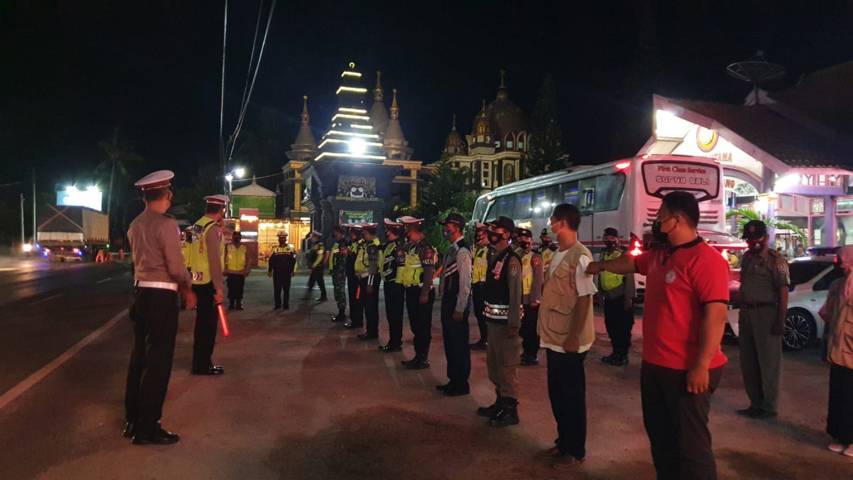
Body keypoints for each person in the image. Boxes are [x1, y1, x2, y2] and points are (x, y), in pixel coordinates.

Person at [587, 191, 729, 480]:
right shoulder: (661, 255)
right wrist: (601, 265)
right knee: (661, 440)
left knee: (691, 447)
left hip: (687, 369)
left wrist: (701, 365)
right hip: (656, 365)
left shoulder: (707, 260)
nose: (657, 221)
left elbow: (716, 316)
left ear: (676, 221)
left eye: (661, 216)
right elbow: (631, 263)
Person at [124, 170, 195, 445]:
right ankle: (147, 427)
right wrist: (188, 287)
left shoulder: (134, 225)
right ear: (167, 194)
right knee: (159, 364)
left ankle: (132, 420)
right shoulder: (166, 225)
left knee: (139, 359)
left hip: (141, 294)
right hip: (162, 298)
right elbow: (176, 268)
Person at [538, 203, 597, 468]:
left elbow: (584, 299)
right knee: (557, 394)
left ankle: (576, 448)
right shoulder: (558, 253)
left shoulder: (580, 256)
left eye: (552, 220)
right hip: (553, 337)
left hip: (570, 341)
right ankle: (563, 442)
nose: (550, 224)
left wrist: (574, 337)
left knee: (573, 397)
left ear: (561, 222)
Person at [737, 220, 789, 420]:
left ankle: (769, 407)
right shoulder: (747, 258)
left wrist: (780, 320)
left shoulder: (776, 260)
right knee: (748, 361)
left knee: (769, 363)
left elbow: (783, 292)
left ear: (766, 238)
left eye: (755, 238)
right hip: (747, 313)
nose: (751, 243)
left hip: (767, 314)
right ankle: (755, 403)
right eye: (749, 239)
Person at [476, 216, 523, 427]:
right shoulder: (495, 256)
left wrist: (514, 323)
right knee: (494, 366)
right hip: (493, 322)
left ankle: (510, 410)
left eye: (495, 229)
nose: (491, 232)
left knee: (506, 367)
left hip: (506, 325)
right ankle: (500, 402)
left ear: (505, 233)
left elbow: (515, 294)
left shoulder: (511, 260)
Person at [188, 194, 227, 376]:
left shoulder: (197, 225)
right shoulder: (213, 229)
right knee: (208, 327)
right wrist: (219, 288)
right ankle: (203, 365)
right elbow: (214, 260)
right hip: (209, 282)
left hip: (197, 279)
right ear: (221, 210)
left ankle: (200, 362)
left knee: (200, 325)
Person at [436, 213, 473, 396]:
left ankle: (461, 383)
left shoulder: (463, 251)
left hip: (457, 304)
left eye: (448, 226)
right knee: (450, 343)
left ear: (457, 227)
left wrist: (460, 308)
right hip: (448, 301)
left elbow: (465, 283)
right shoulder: (453, 249)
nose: (445, 229)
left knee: (459, 345)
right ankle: (453, 379)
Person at [821, 246, 853, 457]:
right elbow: (827, 312)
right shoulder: (838, 285)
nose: (840, 263)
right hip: (839, 350)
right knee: (840, 395)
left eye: (843, 259)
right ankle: (841, 436)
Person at [397, 216, 436, 370]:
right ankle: (418, 355)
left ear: (418, 232)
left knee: (422, 326)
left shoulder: (426, 249)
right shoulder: (412, 247)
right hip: (412, 290)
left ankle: (422, 358)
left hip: (422, 291)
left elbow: (428, 273)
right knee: (415, 325)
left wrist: (425, 293)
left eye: (409, 231)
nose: (407, 234)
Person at [597, 227, 636, 366]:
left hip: (621, 296)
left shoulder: (623, 254)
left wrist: (629, 297)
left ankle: (622, 355)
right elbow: (601, 274)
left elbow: (629, 277)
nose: (608, 240)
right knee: (611, 326)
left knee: (623, 328)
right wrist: (600, 294)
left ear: (617, 239)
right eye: (606, 238)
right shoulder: (603, 254)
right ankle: (615, 353)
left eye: (611, 238)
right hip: (608, 297)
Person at [516, 227, 543, 366]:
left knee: (531, 327)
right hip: (520, 297)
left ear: (531, 240)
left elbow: (538, 279)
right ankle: (526, 352)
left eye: (526, 238)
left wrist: (535, 298)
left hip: (530, 298)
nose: (523, 240)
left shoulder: (535, 256)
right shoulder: (517, 255)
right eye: (521, 238)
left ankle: (532, 354)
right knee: (523, 327)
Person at [379, 218, 406, 352]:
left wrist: (397, 283)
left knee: (395, 315)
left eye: (388, 230)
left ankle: (395, 342)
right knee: (390, 314)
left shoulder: (398, 247)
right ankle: (393, 340)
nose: (386, 232)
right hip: (389, 283)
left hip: (396, 285)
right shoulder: (389, 245)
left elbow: (401, 267)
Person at [356, 223, 382, 340]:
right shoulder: (367, 244)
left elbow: (373, 267)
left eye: (364, 233)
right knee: (368, 306)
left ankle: (372, 332)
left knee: (370, 307)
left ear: (369, 233)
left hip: (370, 278)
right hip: (365, 277)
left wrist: (370, 284)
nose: (363, 235)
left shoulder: (373, 246)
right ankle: (370, 331)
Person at [470, 222, 491, 351]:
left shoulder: (490, 250)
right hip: (476, 284)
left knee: (485, 314)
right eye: (477, 235)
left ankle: (487, 340)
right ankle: (483, 339)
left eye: (481, 235)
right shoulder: (477, 249)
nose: (478, 238)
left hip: (485, 286)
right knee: (478, 314)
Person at [268, 231, 296, 310]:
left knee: (286, 289)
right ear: (278, 239)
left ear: (286, 238)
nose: (282, 239)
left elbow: (294, 260)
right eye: (280, 238)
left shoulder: (291, 248)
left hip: (287, 272)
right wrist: (270, 270)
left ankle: (286, 305)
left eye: (283, 238)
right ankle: (277, 305)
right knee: (277, 289)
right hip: (277, 273)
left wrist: (293, 270)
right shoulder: (274, 248)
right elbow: (271, 260)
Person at [224, 231, 251, 311]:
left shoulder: (244, 247)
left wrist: (247, 270)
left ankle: (238, 304)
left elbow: (248, 259)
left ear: (240, 238)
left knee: (240, 288)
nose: (236, 238)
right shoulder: (227, 246)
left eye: (238, 237)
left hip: (240, 271)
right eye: (235, 236)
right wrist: (224, 269)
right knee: (231, 288)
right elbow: (223, 258)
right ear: (232, 237)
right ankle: (231, 304)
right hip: (230, 271)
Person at [344, 224, 364, 329]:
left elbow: (358, 257)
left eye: (352, 233)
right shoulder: (353, 243)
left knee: (357, 299)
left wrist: (350, 253)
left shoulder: (360, 244)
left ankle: (357, 320)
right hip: (351, 275)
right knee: (353, 297)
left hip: (356, 276)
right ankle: (354, 319)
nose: (350, 235)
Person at [329, 226, 350, 323]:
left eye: (335, 233)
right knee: (337, 291)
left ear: (340, 233)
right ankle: (340, 312)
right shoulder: (338, 243)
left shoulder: (343, 243)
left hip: (340, 271)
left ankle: (342, 313)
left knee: (340, 291)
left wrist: (338, 269)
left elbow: (343, 258)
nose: (334, 235)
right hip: (336, 270)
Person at [305, 231, 327, 301]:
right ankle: (308, 295)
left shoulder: (320, 246)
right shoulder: (315, 245)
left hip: (318, 267)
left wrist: (314, 265)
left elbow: (320, 257)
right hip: (316, 267)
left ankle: (324, 296)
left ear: (316, 237)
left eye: (312, 237)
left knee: (319, 281)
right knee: (312, 281)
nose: (311, 238)